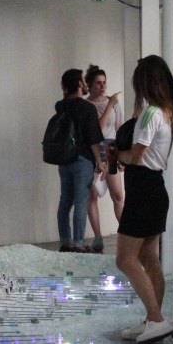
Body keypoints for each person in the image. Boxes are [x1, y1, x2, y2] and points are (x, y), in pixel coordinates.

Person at [115, 55, 173, 344]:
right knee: (149, 257)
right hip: (155, 188)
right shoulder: (167, 112)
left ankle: (157, 318)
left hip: (142, 189)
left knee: (125, 259)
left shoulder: (150, 113)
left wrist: (117, 155)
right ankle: (153, 320)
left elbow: (137, 156)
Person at [53, 68, 106, 252]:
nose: (85, 83)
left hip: (64, 160)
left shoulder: (60, 106)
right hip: (82, 160)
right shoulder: (87, 108)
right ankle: (78, 243)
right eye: (82, 81)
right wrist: (99, 161)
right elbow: (93, 139)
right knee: (81, 202)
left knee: (65, 202)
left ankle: (65, 242)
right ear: (79, 83)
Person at [84, 64, 125, 253]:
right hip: (94, 151)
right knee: (93, 195)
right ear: (90, 85)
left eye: (104, 83)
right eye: (98, 83)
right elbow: (97, 129)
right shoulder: (87, 106)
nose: (102, 86)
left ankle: (125, 235)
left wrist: (121, 155)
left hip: (111, 149)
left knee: (118, 195)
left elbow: (120, 129)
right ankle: (98, 237)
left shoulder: (113, 103)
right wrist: (109, 105)